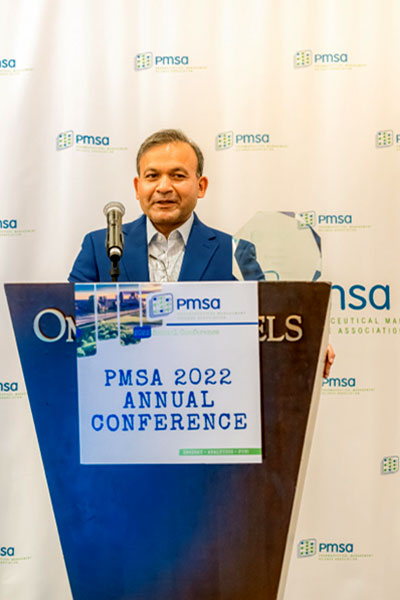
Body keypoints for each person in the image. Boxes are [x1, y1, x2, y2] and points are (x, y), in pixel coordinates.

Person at [69, 128, 334, 376]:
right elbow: (69, 324)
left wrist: (311, 345)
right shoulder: (100, 247)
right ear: (138, 188)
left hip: (208, 395)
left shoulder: (235, 252)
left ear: (201, 186)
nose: (164, 187)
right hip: (121, 392)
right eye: (152, 176)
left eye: (178, 175)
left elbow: (270, 325)